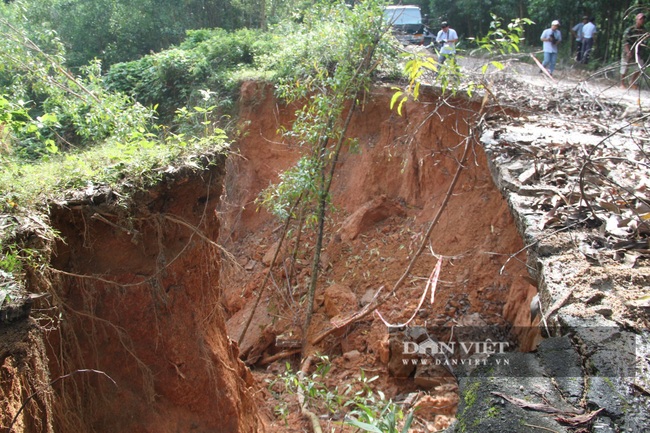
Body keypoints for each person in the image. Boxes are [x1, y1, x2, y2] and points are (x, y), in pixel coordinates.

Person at [621, 12, 648, 89]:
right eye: (641, 19)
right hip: (628, 51)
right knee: (624, 67)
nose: (642, 20)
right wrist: (628, 51)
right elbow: (625, 41)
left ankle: (632, 82)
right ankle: (622, 83)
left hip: (638, 53)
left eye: (643, 19)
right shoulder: (630, 30)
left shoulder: (644, 30)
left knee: (640, 67)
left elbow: (644, 41)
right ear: (637, 20)